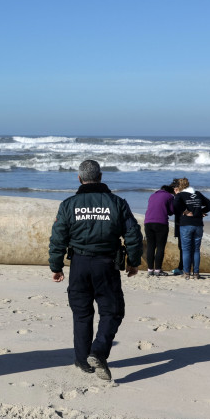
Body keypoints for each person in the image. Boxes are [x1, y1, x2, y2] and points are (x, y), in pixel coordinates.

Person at [49, 160, 143, 381]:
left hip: (79, 265)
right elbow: (133, 235)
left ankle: (83, 360)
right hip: (106, 265)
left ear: (79, 179)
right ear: (100, 177)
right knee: (112, 311)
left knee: (82, 314)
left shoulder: (68, 204)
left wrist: (56, 266)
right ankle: (98, 352)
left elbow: (58, 237)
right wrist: (134, 261)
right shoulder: (117, 203)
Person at [172, 178, 210, 280]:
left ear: (180, 187)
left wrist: (184, 211)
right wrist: (200, 212)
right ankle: (196, 274)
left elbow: (173, 206)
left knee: (186, 250)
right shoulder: (197, 193)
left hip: (186, 225)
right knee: (196, 250)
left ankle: (186, 273)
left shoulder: (180, 195)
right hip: (198, 225)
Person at [144, 184, 175, 276]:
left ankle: (150, 269)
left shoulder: (152, 195)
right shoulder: (169, 196)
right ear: (169, 191)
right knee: (160, 247)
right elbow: (171, 211)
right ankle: (157, 270)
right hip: (161, 223)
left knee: (150, 246)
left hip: (148, 222)